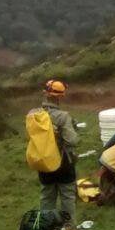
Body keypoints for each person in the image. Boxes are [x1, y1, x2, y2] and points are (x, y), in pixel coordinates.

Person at [37, 79, 78, 220]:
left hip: (43, 163)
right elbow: (72, 140)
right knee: (67, 197)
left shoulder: (34, 114)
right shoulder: (63, 116)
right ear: (60, 96)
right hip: (63, 162)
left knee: (47, 198)